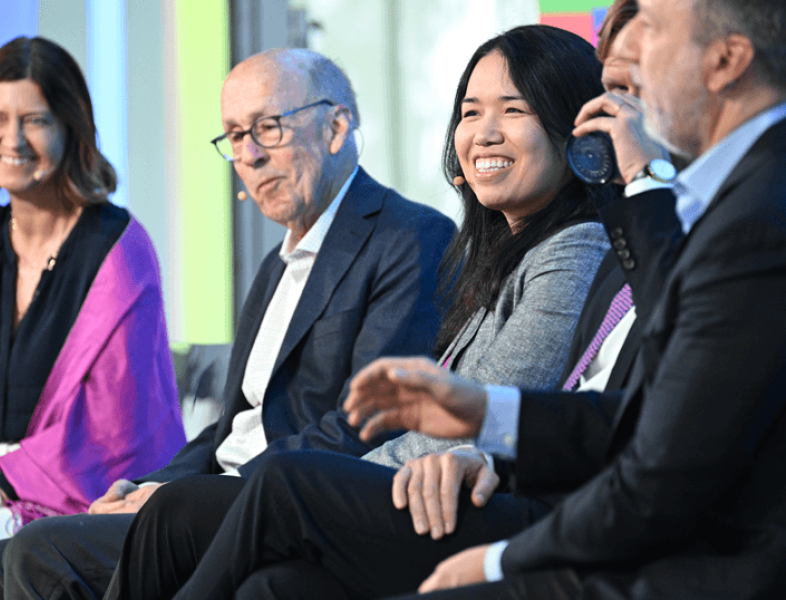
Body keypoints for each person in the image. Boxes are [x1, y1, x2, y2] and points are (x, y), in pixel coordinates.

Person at [185, 0, 786, 597]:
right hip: (554, 496)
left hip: (669, 555)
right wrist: (488, 432)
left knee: (269, 493)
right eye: (470, 112)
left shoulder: (698, 222)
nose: (620, 110)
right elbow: (637, 419)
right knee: (273, 584)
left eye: (643, 53)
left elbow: (666, 461)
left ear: (726, 61)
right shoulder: (676, 217)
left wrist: (503, 554)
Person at [94, 24, 622, 600]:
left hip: (483, 502)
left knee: (274, 483)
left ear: (573, 125)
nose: (484, 134)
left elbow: (483, 406)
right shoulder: (499, 260)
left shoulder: (575, 245)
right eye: (470, 113)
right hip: (425, 487)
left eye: (513, 109)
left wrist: (350, 476)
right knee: (253, 569)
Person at [0, 47, 457, 600]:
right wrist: (150, 485)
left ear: (336, 127)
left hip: (278, 505)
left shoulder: (409, 237)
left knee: (40, 551)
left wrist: (183, 496)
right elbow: (230, 432)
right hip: (206, 500)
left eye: (268, 128)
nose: (249, 155)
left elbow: (370, 424)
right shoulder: (275, 266)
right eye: (235, 137)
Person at [0, 36, 187, 600]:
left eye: (35, 120)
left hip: (80, 505)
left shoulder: (118, 248)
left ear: (70, 127)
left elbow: (108, 433)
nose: (13, 139)